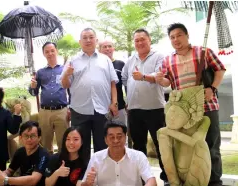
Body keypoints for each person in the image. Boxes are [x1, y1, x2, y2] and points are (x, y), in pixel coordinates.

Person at [156, 23, 226, 186]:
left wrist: (212, 88)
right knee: (185, 147)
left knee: (211, 145)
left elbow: (220, 70)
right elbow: (168, 81)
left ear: (187, 36)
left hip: (207, 106)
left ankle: (214, 181)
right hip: (183, 113)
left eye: (179, 35)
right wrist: (161, 80)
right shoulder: (168, 59)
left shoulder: (203, 52)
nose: (176, 39)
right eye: (172, 37)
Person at [61, 28, 119, 157]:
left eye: (91, 37)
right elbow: (65, 85)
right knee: (81, 146)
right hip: (79, 110)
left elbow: (112, 83)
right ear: (80, 42)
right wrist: (66, 74)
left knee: (103, 145)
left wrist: (114, 103)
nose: (88, 40)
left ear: (96, 40)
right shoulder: (72, 60)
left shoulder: (105, 60)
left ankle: (101, 174)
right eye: (85, 38)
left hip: (102, 108)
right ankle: (83, 175)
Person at [121, 28, 169, 185]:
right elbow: (124, 78)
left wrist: (143, 77)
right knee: (138, 147)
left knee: (161, 145)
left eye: (143, 39)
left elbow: (160, 76)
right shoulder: (130, 60)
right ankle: (141, 180)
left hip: (155, 109)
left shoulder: (158, 56)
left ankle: (167, 179)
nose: (140, 43)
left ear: (150, 40)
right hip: (134, 110)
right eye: (136, 40)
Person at [81, 120, 157, 186]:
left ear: (126, 137)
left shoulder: (138, 156)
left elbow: (151, 180)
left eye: (119, 136)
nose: (116, 141)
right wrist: (87, 183)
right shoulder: (96, 158)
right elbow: (84, 184)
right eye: (111, 137)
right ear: (105, 140)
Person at [29, 41, 70, 154]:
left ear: (56, 51)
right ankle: (47, 168)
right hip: (45, 112)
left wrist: (70, 107)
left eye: (52, 50)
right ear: (44, 54)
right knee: (45, 143)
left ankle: (63, 167)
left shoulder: (64, 70)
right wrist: (32, 87)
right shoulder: (40, 72)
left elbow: (71, 89)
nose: (50, 53)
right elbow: (34, 92)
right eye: (47, 51)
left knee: (63, 141)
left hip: (62, 111)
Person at [0, 121, 50, 186]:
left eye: (33, 136)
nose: (29, 139)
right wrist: (2, 175)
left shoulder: (43, 155)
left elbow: (34, 180)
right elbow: (10, 171)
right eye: (26, 136)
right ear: (20, 138)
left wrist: (6, 179)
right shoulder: (20, 152)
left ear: (39, 138)